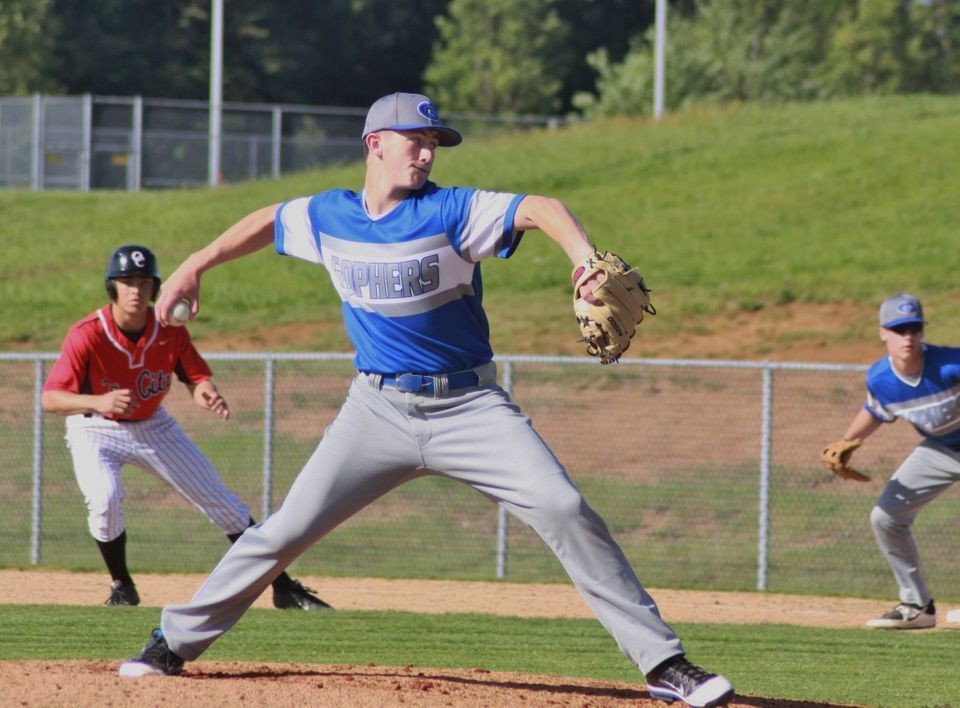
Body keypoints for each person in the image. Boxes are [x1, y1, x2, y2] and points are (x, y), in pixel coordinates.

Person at [117, 93, 733, 708]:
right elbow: (269, 220)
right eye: (416, 138)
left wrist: (584, 263)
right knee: (283, 532)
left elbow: (542, 208)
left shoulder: (453, 211)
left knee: (565, 507)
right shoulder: (331, 217)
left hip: (470, 408)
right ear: (375, 144)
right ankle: (172, 640)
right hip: (376, 410)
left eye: (434, 142)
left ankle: (663, 664)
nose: (426, 152)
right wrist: (196, 264)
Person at [42, 244, 331, 612]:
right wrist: (97, 401)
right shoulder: (88, 333)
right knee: (104, 499)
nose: (136, 290)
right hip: (95, 426)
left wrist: (205, 391)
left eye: (144, 282)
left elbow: (193, 376)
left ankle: (284, 588)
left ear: (155, 288)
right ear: (112, 287)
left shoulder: (169, 329)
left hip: (153, 426)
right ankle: (122, 584)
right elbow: (50, 398)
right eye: (126, 282)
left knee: (223, 504)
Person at [823, 293, 957, 629]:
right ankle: (916, 606)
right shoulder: (881, 379)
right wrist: (848, 442)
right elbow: (875, 411)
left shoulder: (951, 365)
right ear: (883, 332)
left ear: (922, 332)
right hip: (941, 447)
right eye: (899, 329)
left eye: (913, 328)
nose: (907, 337)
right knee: (886, 517)